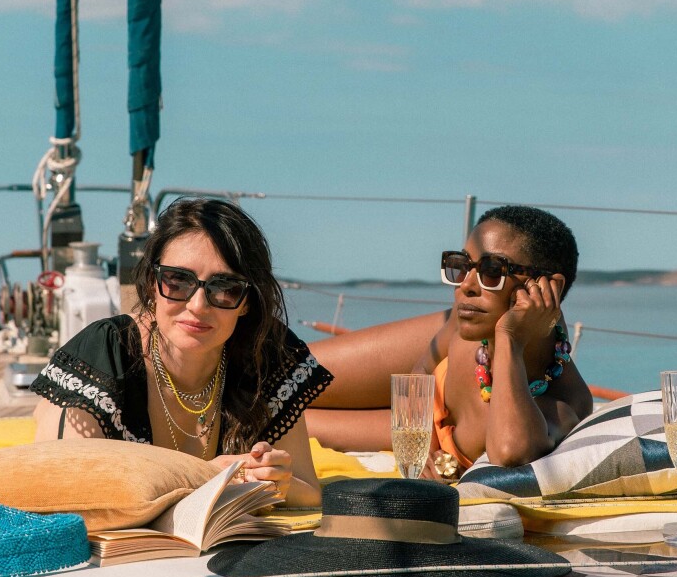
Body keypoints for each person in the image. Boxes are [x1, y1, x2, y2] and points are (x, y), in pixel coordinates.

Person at [30, 197, 332, 506]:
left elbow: (307, 491)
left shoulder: (264, 353)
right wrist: (199, 475)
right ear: (151, 283)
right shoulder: (105, 353)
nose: (198, 306)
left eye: (225, 288)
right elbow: (62, 488)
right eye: (177, 281)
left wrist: (279, 483)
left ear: (246, 302)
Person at [307, 205, 592, 477]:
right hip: (421, 412)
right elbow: (419, 374)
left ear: (547, 288)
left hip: (426, 417)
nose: (466, 285)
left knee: (276, 415)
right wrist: (423, 446)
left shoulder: (563, 403)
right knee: (283, 373)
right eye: (462, 265)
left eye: (492, 271)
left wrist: (509, 340)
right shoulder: (469, 320)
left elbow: (509, 453)